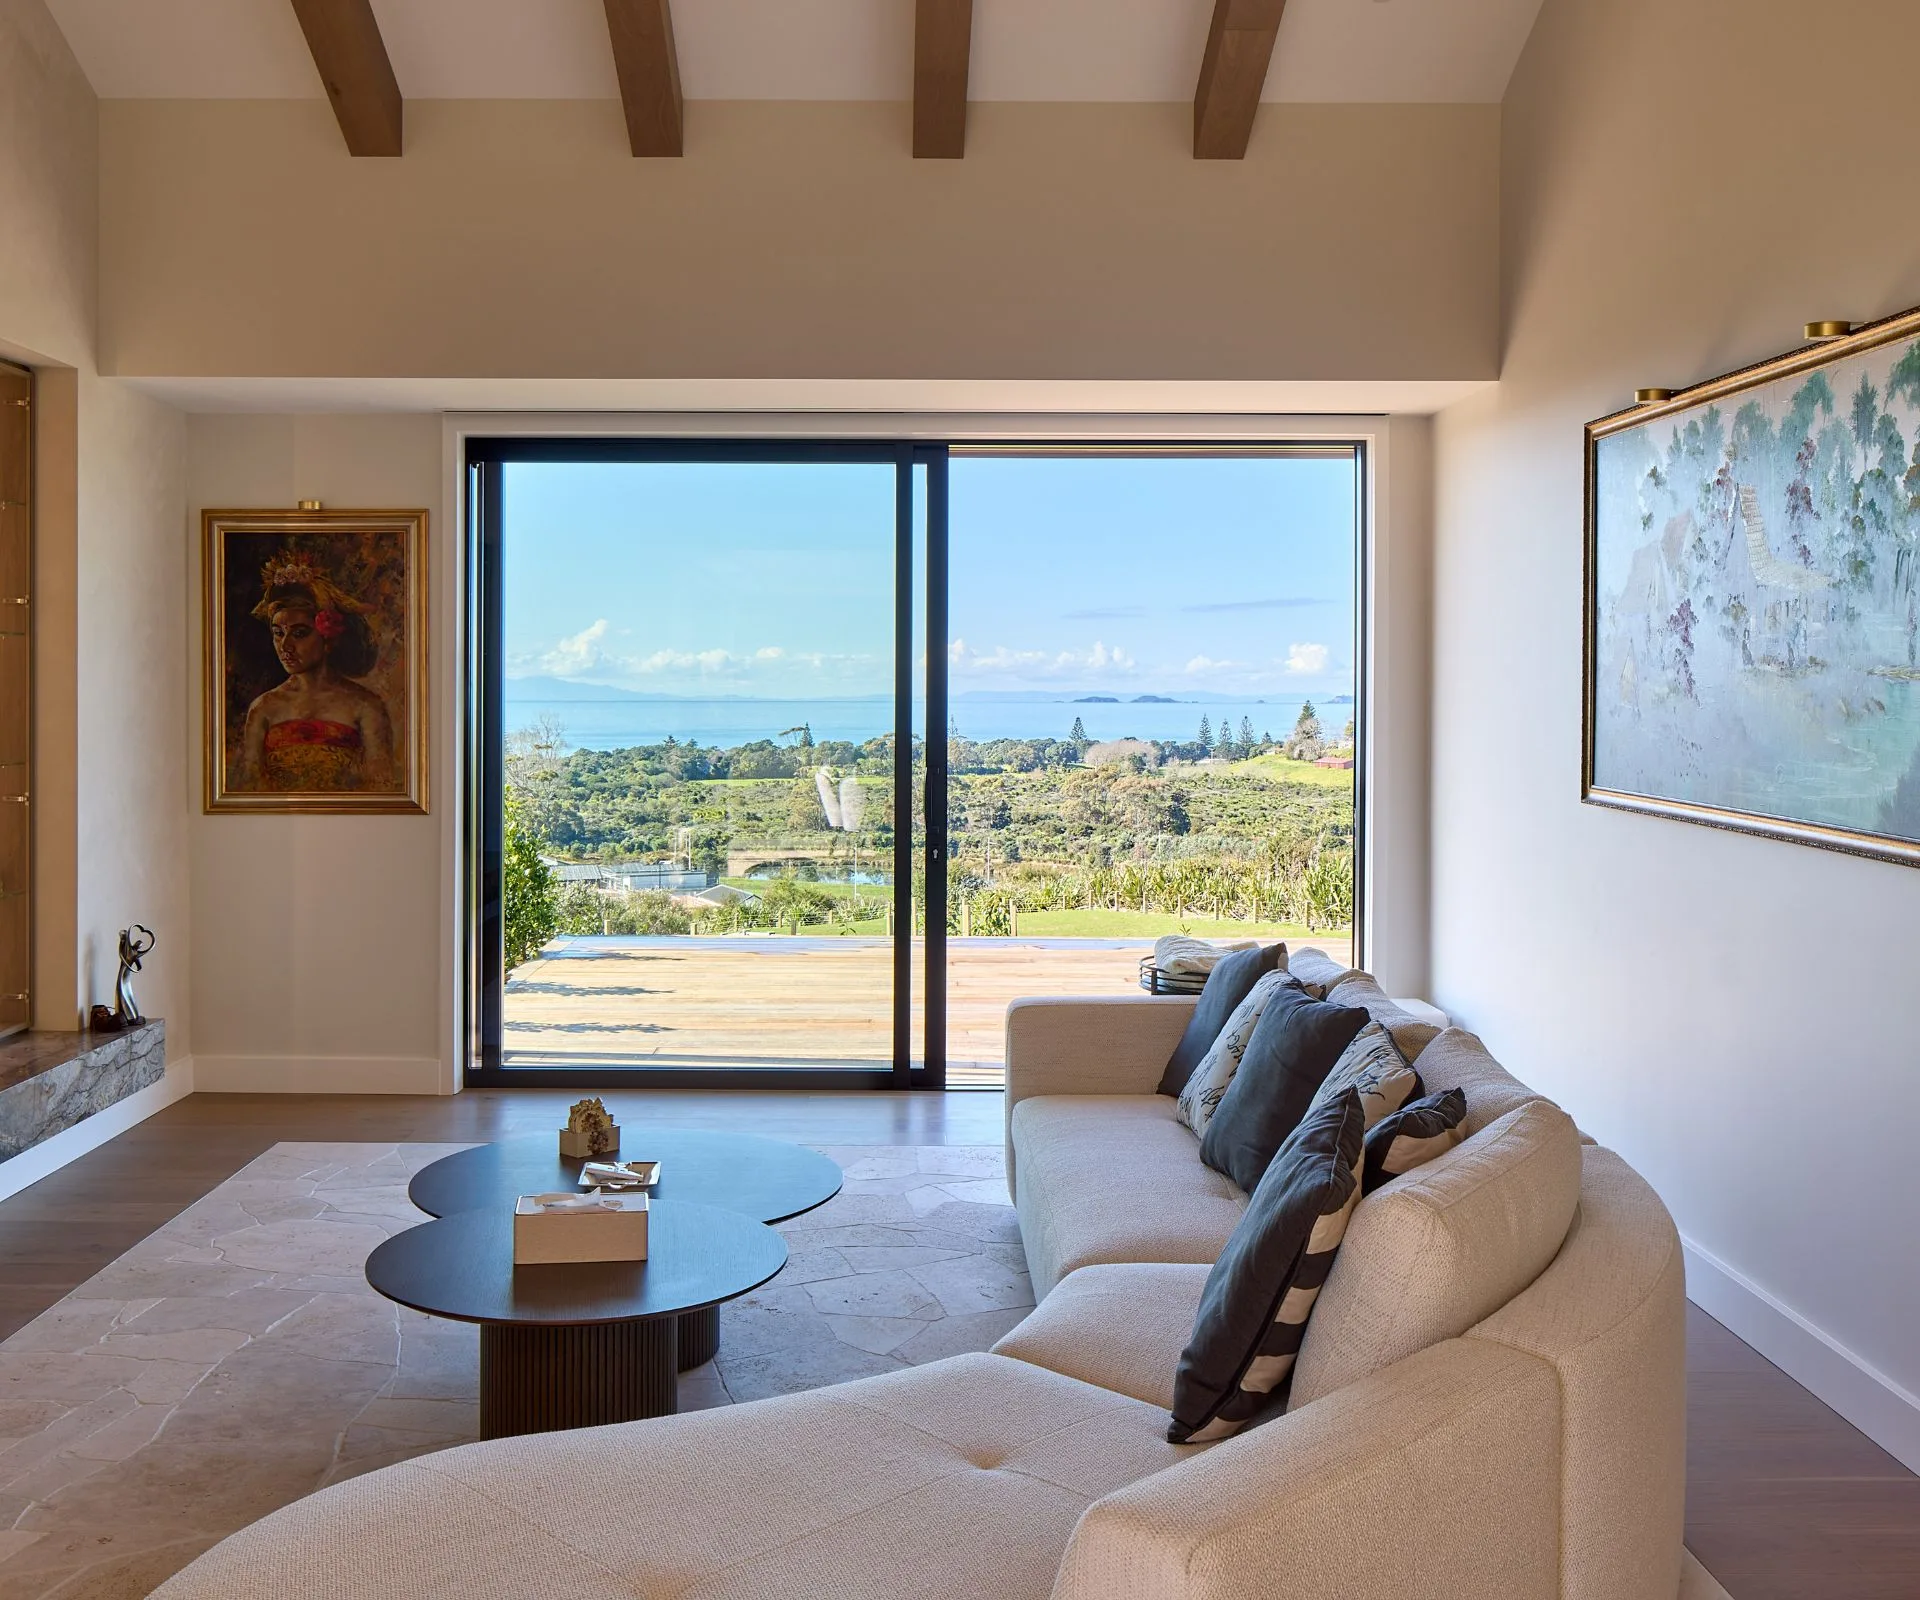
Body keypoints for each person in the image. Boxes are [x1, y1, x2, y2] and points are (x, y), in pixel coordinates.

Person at [238, 554, 395, 791]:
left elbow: (381, 790)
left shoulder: (365, 706)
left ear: (328, 638)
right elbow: (250, 790)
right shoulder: (263, 708)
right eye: (278, 634)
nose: (285, 646)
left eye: (299, 633)